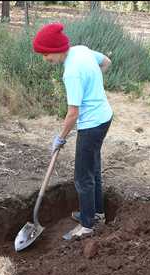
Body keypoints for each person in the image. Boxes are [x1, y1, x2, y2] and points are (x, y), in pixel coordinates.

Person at [33, 22, 113, 240]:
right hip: (105, 117)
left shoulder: (71, 73)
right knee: (93, 168)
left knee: (82, 176)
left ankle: (87, 226)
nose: (45, 59)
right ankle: (96, 213)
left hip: (91, 124)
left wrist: (60, 138)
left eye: (45, 54)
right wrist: (94, 86)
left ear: (55, 50)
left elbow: (73, 114)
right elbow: (107, 62)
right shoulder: (81, 50)